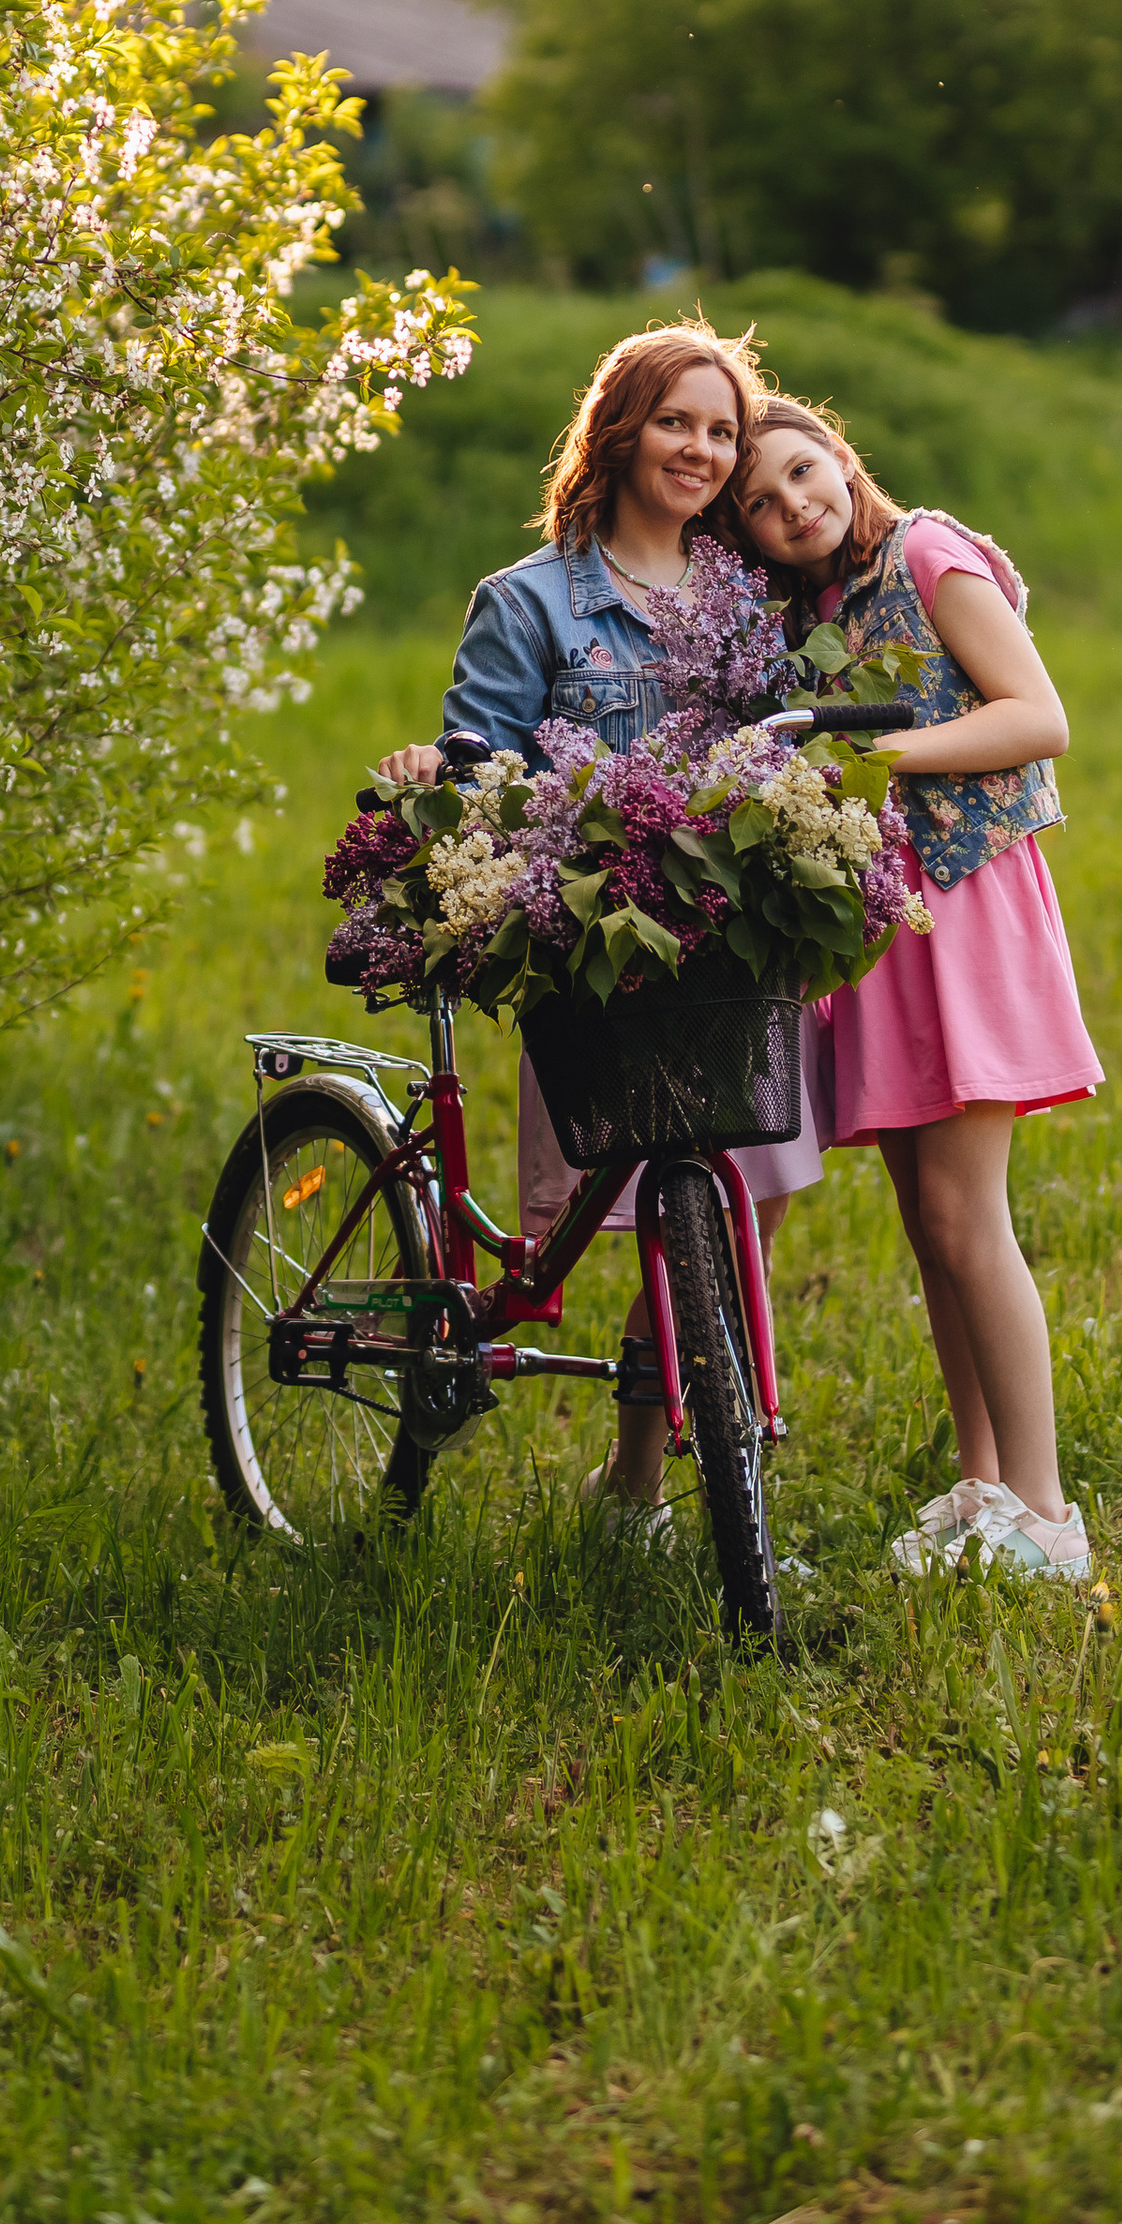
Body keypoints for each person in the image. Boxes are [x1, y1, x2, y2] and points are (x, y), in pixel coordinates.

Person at [374, 318, 829, 1518]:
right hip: (595, 947)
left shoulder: (745, 594)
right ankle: (637, 1481)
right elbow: (484, 748)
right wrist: (457, 771)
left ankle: (635, 1476)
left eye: (722, 430)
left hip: (722, 945)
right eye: (675, 421)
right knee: (629, 1206)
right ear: (620, 431)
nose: (699, 448)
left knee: (745, 1204)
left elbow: (787, 743)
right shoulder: (529, 602)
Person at [730, 395, 1102, 1581]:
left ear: (838, 454)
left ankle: (1045, 1513)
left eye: (802, 472)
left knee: (964, 1216)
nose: (795, 506)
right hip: (881, 933)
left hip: (966, 907)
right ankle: (984, 1483)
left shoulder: (928, 553)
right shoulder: (818, 606)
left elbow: (1036, 716)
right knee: (925, 1226)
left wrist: (873, 753)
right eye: (762, 506)